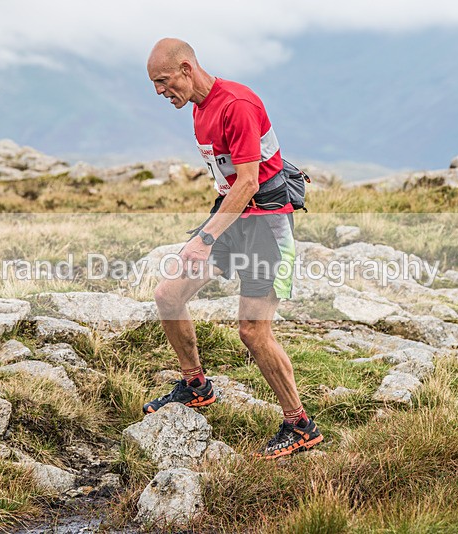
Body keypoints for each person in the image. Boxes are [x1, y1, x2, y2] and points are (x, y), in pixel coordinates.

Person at [143, 38, 322, 459]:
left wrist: (204, 238)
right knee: (168, 295)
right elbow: (230, 186)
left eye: (163, 81)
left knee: (253, 331)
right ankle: (195, 386)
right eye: (154, 84)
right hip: (234, 215)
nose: (159, 92)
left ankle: (300, 425)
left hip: (265, 222)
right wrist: (213, 232)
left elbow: (248, 182)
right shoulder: (200, 109)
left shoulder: (237, 104)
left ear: (187, 68)